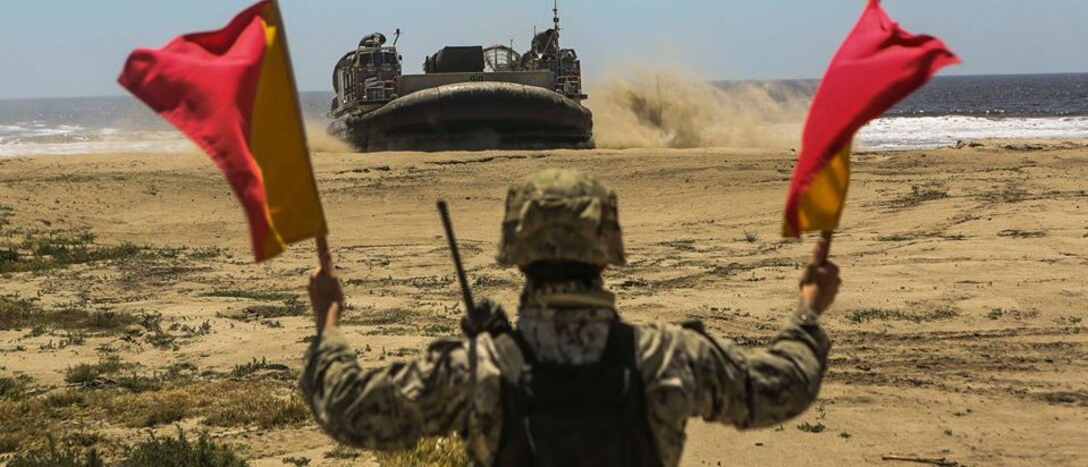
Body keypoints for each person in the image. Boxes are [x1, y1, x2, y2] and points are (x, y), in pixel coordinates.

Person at [301, 168, 840, 466]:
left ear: (515, 257)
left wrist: (328, 320)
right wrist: (809, 309)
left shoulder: (474, 370)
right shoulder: (669, 355)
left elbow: (348, 409)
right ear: (606, 255)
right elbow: (782, 386)